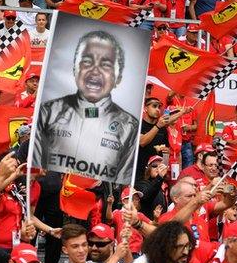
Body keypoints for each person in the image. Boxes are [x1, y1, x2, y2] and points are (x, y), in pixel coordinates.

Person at [32, 30, 139, 184]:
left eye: (106, 65)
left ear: (118, 78)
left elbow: (121, 181)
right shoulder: (47, 112)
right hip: (50, 197)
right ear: (74, 69)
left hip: (95, 201)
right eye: (87, 61)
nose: (95, 70)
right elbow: (35, 169)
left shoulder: (129, 127)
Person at [136, 97, 171, 180]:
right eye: (154, 106)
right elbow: (142, 142)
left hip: (156, 174)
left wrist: (167, 152)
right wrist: (157, 126)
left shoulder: (163, 129)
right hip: (139, 171)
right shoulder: (139, 124)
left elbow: (166, 152)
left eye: (159, 107)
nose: (158, 109)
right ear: (145, 108)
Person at [134, 155, 168, 220]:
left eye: (160, 166)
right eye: (154, 166)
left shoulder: (164, 185)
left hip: (160, 224)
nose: (158, 168)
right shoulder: (141, 183)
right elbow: (146, 196)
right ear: (148, 169)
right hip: (147, 223)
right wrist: (159, 177)